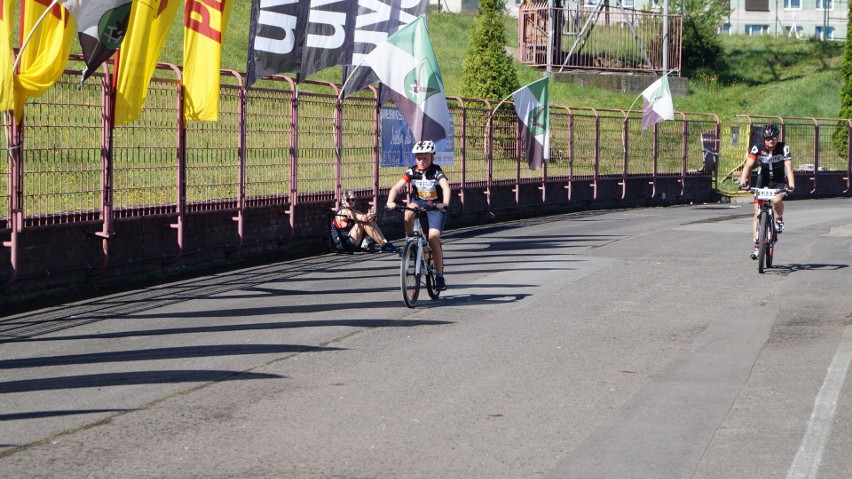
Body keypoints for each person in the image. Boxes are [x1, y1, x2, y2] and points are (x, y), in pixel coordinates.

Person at [386, 140, 451, 291]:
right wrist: (390, 201)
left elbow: (445, 187)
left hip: (435, 206)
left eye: (425, 158)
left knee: (433, 238)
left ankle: (440, 276)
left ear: (432, 157)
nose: (422, 161)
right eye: (418, 158)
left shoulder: (437, 172)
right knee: (408, 211)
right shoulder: (411, 172)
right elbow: (396, 188)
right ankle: (410, 242)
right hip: (419, 202)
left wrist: (445, 203)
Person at [738, 122, 796, 260]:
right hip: (763, 180)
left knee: (777, 200)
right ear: (764, 139)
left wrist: (791, 185)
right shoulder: (757, 148)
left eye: (774, 137)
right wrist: (743, 181)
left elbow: (789, 168)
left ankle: (779, 219)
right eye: (769, 138)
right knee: (757, 212)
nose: (772, 140)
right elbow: (748, 165)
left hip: (778, 180)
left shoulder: (784, 148)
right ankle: (757, 246)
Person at [333, 190, 399, 253]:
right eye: (348, 200)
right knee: (362, 222)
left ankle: (385, 243)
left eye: (353, 199)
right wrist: (368, 216)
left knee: (369, 221)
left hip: (351, 241)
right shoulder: (343, 211)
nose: (350, 201)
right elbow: (362, 218)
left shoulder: (352, 210)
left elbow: (364, 216)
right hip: (344, 244)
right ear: (343, 201)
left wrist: (371, 216)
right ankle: (384, 245)